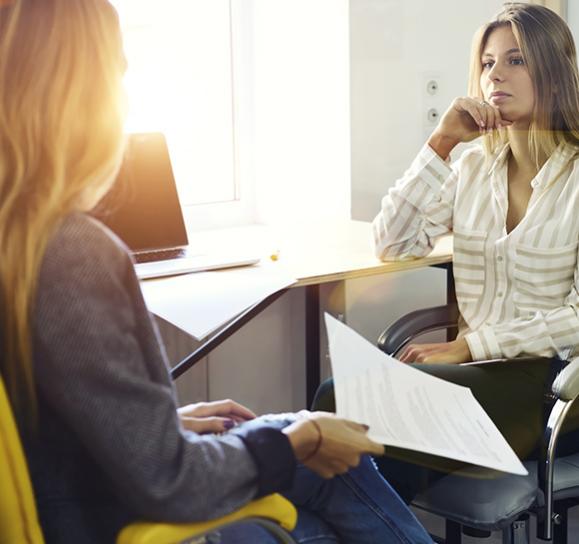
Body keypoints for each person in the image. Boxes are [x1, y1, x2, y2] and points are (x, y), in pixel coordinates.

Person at [0, 1, 434, 543]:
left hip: (81, 493)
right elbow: (170, 484)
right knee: (321, 464)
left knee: (303, 469)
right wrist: (301, 440)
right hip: (111, 518)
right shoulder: (70, 253)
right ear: (81, 94)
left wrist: (164, 425)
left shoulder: (21, 239)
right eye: (118, 71)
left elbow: (48, 425)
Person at [316, 2, 579, 502]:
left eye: (515, 60)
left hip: (553, 386)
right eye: (486, 63)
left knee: (343, 399)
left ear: (553, 72)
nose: (494, 75)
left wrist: (469, 346)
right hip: (475, 376)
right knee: (361, 420)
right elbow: (391, 242)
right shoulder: (474, 168)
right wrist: (440, 143)